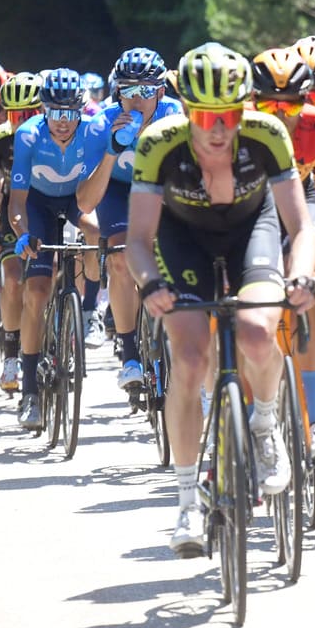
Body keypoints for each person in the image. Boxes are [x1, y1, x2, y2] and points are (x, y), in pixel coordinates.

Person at [125, 42, 315, 556]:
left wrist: (300, 275)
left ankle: (264, 422)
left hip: (251, 231)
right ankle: (188, 498)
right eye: (206, 116)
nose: (218, 128)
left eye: (230, 115)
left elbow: (300, 227)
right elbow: (138, 240)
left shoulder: (267, 134)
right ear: (187, 110)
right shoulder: (158, 143)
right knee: (189, 358)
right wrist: (150, 286)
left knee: (258, 331)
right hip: (181, 238)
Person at [251, 45, 315, 461]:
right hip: (250, 208)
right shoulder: (238, 131)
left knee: (305, 292)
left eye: (290, 104)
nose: (280, 113)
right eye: (269, 103)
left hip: (299, 202)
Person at [77, 47, 183, 380]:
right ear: (116, 91)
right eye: (127, 90)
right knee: (121, 259)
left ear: (161, 92)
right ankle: (130, 357)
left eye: (145, 91)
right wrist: (112, 148)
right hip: (119, 191)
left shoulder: (175, 117)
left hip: (163, 190)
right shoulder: (102, 122)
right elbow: (85, 202)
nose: (136, 100)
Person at [8, 68, 104, 429]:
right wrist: (23, 232)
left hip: (77, 201)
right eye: (55, 113)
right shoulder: (28, 135)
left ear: (81, 110)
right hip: (39, 205)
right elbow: (17, 201)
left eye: (71, 113)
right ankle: (30, 391)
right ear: (43, 110)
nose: (63, 122)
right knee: (37, 292)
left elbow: (98, 187)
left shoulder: (93, 131)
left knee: (94, 231)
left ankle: (90, 312)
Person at [0, 72, 44, 393]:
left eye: (29, 114)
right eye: (14, 115)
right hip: (13, 212)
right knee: (15, 277)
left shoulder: (55, 132)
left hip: (48, 208)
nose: (21, 121)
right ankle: (10, 355)